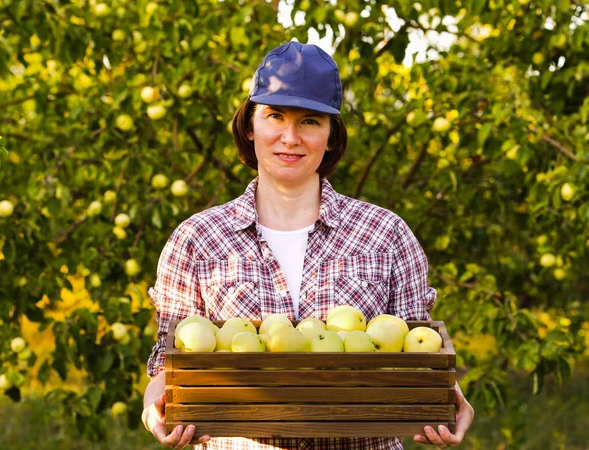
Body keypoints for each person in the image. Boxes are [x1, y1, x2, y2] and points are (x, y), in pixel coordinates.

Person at [142, 41, 474, 450]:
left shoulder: (386, 235)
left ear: (332, 135)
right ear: (249, 125)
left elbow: (417, 363)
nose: (290, 137)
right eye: (275, 116)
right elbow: (166, 366)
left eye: (310, 121)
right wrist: (154, 405)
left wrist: (447, 397)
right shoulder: (198, 241)